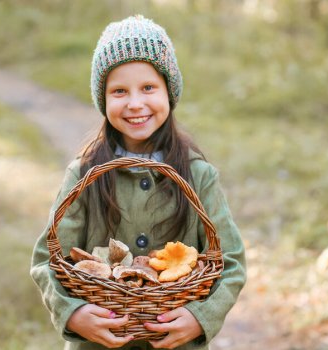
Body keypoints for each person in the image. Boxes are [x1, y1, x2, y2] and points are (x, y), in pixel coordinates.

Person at [30, 15, 246, 350]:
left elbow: (230, 261)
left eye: (148, 88)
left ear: (169, 92)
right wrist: (72, 313)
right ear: (103, 99)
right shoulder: (84, 175)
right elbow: (48, 258)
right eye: (119, 91)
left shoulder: (198, 176)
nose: (135, 103)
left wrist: (201, 317)